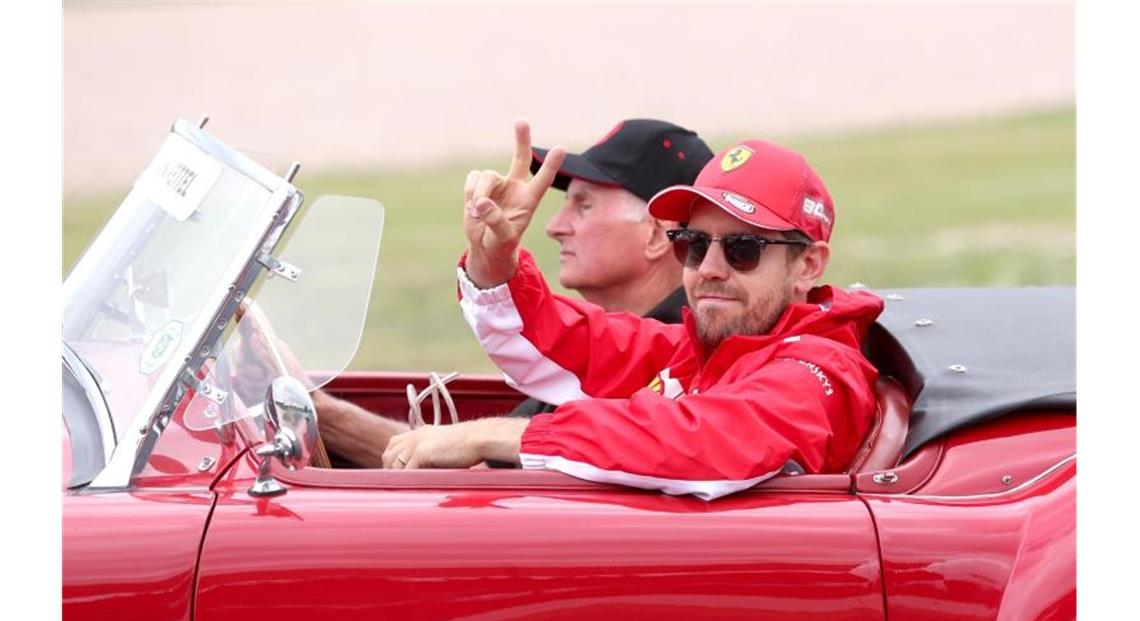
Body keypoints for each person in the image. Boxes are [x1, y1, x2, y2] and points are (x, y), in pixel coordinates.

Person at [381, 122, 884, 501]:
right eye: (691, 243)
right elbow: (570, 342)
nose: (708, 267)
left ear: (808, 266)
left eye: (742, 249)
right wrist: (497, 258)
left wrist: (495, 435)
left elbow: (702, 441)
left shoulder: (818, 369)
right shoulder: (709, 348)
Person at [316, 119, 713, 465]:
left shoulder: (670, 368)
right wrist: (493, 262)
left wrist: (321, 414)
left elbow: (469, 479)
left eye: (583, 206)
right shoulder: (629, 347)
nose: (555, 226)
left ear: (657, 235)